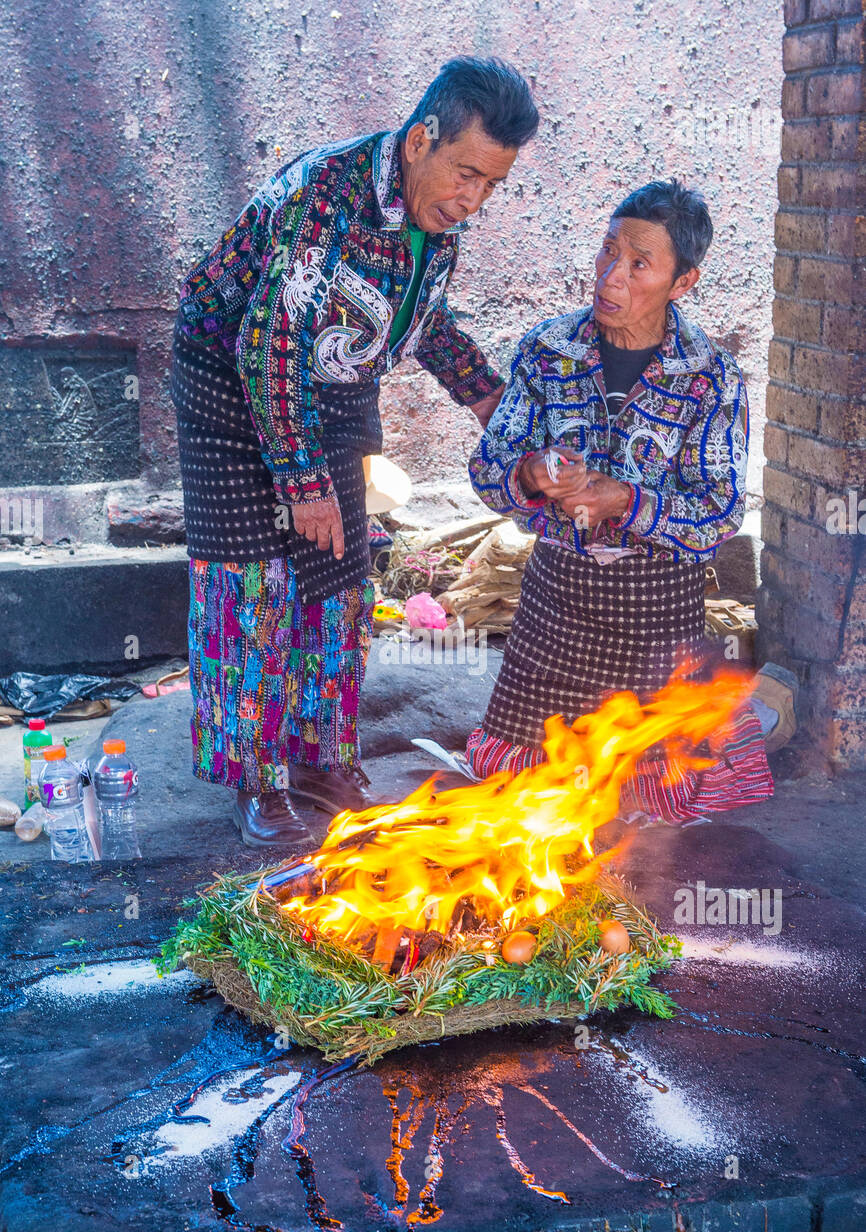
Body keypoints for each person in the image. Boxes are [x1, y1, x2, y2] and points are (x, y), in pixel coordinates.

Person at [170, 56, 539, 849]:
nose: (471, 198)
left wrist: (492, 405)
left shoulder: (437, 226)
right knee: (251, 581)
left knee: (336, 573)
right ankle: (257, 775)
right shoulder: (323, 199)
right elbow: (268, 345)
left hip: (331, 389)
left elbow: (427, 325)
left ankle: (317, 757)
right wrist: (300, 482)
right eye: (465, 173)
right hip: (230, 380)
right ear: (418, 141)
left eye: (491, 184)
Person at [466, 178, 796, 823]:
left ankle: (751, 717)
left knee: (655, 797)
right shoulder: (548, 350)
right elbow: (487, 470)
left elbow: (720, 513)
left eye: (639, 263)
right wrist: (533, 473)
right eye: (607, 252)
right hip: (554, 609)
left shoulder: (710, 376)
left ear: (682, 283)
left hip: (654, 616)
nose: (611, 276)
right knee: (524, 790)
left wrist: (624, 500)